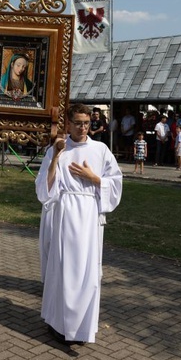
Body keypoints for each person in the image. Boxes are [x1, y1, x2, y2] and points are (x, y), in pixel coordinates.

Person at [35, 103, 123, 345]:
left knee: (88, 274)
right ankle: (58, 323)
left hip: (90, 215)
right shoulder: (58, 148)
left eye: (87, 123)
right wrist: (55, 156)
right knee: (63, 269)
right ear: (68, 124)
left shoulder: (101, 149)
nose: (83, 128)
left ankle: (82, 327)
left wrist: (94, 178)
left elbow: (115, 183)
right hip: (65, 215)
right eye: (78, 123)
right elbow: (45, 187)